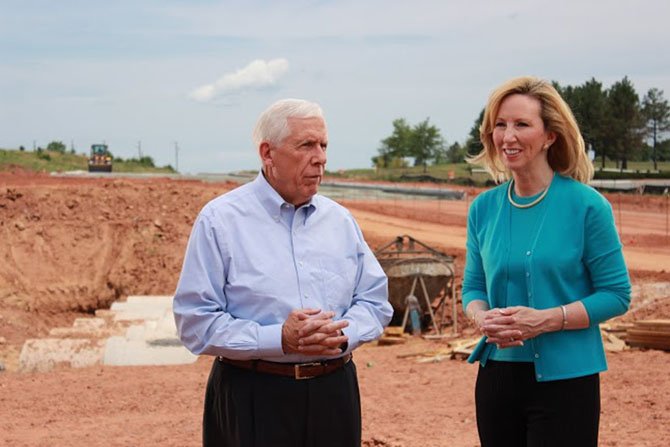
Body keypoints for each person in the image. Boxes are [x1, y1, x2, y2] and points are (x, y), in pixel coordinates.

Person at [173, 98, 392, 447]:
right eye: (306, 145)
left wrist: (339, 335)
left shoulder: (339, 221)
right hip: (253, 395)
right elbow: (195, 323)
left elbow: (375, 301)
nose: (320, 157)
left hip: (334, 393)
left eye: (323, 145)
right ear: (267, 153)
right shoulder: (221, 221)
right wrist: (280, 339)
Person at [462, 76, 631, 447]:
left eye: (522, 124)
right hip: (496, 380)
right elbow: (473, 288)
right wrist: (481, 316)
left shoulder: (587, 206)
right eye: (500, 125)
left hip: (567, 381)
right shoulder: (483, 208)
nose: (508, 136)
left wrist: (545, 321)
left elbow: (616, 294)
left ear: (550, 135)